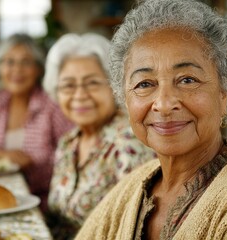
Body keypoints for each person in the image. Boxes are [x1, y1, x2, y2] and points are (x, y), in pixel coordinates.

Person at [75, 0, 227, 239]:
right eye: (144, 84)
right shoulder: (134, 187)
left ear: (223, 93)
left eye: (187, 80)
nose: (164, 104)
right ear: (125, 99)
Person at [43, 33, 156, 239]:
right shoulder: (68, 142)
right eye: (68, 85)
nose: (79, 95)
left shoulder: (130, 141)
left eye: (92, 83)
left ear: (115, 87)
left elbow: (137, 227)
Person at [0, 34, 73, 211]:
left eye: (26, 62)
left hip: (45, 203)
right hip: (0, 197)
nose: (17, 70)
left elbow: (72, 153)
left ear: (39, 69)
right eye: (9, 62)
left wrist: (34, 165)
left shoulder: (52, 105)